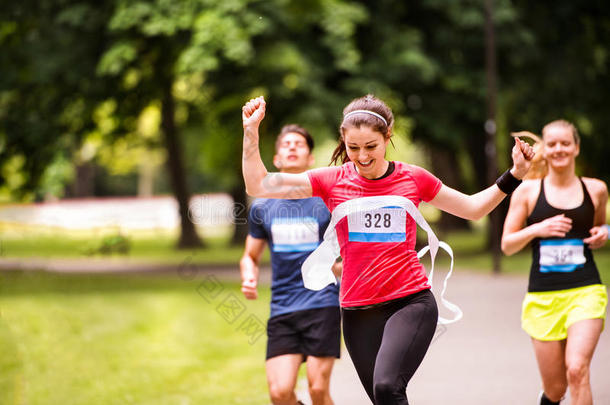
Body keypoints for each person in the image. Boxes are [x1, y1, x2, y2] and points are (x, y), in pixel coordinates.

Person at [242, 94, 534, 404]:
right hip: (357, 311)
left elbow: (473, 208)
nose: (362, 156)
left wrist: (514, 175)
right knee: (386, 398)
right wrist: (251, 132)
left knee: (386, 387)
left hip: (409, 302)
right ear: (343, 140)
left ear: (387, 137)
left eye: (371, 146)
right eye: (353, 148)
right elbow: (258, 185)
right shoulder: (331, 181)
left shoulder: (414, 178)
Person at [501, 120, 608, 405]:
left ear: (576, 147)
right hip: (543, 297)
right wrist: (538, 228)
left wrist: (604, 234)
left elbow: (600, 227)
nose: (559, 149)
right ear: (544, 150)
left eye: (565, 143)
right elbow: (507, 245)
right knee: (556, 389)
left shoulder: (596, 189)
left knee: (577, 370)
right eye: (552, 144)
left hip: (585, 291)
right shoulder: (527, 191)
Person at [240, 124, 342, 405]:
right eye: (286, 144)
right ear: (276, 160)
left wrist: (341, 267)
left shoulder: (327, 202)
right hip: (283, 307)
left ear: (311, 159)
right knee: (280, 393)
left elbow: (346, 252)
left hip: (322, 304)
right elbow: (250, 256)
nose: (293, 147)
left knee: (318, 390)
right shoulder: (262, 207)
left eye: (300, 144)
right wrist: (249, 276)